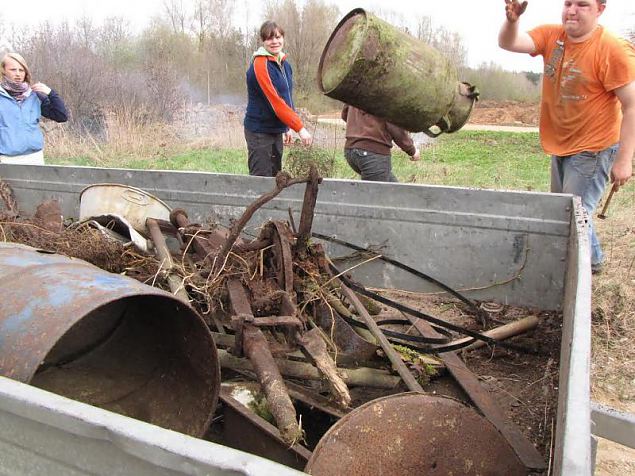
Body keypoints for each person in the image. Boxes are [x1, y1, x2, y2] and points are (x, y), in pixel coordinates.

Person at [498, 0, 635, 274]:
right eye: (568, 3)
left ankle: (590, 265)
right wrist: (512, 21)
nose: (572, 10)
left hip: (594, 147)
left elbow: (631, 105)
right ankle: (585, 260)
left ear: (600, 9)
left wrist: (624, 160)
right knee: (563, 211)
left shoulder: (611, 49)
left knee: (574, 215)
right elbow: (509, 43)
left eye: (582, 5)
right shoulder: (553, 36)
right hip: (560, 143)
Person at [243, 21, 312, 177]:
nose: (274, 41)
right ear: (263, 41)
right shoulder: (260, 65)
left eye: (278, 37)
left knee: (276, 177)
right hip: (259, 131)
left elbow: (286, 97)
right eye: (269, 38)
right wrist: (299, 128)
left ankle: (273, 202)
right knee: (261, 180)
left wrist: (286, 127)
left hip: (275, 130)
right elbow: (275, 102)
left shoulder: (284, 64)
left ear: (283, 38)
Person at [0, 52, 68, 165]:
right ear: (3, 71)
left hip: (35, 157)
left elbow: (61, 116)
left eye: (21, 70)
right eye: (13, 69)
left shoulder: (35, 96)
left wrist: (51, 93)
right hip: (7, 159)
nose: (18, 74)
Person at [341, 104, 420, 182]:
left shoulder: (356, 91)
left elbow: (345, 114)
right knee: (376, 193)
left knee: (394, 192)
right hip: (373, 154)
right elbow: (395, 127)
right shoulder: (385, 93)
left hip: (350, 151)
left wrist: (361, 126)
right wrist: (412, 151)